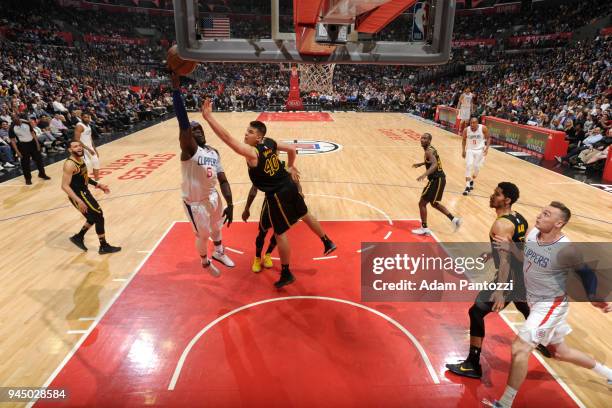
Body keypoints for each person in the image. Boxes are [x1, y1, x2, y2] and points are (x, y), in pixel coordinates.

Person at [200, 99, 336, 288]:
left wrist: (209, 118)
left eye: (250, 132)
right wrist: (290, 166)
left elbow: (228, 140)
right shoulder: (270, 142)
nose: (245, 134)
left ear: (258, 138)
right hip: (289, 184)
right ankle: (327, 241)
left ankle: (287, 272)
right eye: (247, 130)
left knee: (280, 233)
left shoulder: (252, 153)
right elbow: (291, 149)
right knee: (305, 214)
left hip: (277, 194)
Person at [491, 202, 612, 407]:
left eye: (546, 214)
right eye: (541, 212)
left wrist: (594, 296)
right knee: (559, 353)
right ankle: (609, 374)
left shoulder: (566, 249)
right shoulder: (532, 234)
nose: (539, 216)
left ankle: (504, 403)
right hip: (534, 301)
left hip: (550, 306)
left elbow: (586, 273)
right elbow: (526, 257)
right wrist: (511, 248)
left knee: (520, 348)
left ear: (559, 223)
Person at [446, 182, 536, 379]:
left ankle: (473, 364)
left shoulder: (501, 224)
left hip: (510, 276)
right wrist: (491, 252)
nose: (492, 196)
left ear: (507, 200)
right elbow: (516, 247)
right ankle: (543, 337)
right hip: (522, 275)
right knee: (522, 305)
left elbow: (505, 260)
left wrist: (501, 291)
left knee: (476, 311)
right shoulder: (519, 218)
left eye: (497, 194)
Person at [171, 73, 234, 277]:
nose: (198, 131)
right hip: (195, 202)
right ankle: (205, 262)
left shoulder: (213, 152)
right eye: (193, 130)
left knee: (217, 228)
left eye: (200, 129)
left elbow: (223, 179)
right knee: (203, 234)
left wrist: (230, 203)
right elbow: (183, 122)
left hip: (213, 197)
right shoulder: (189, 151)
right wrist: (176, 91)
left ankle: (219, 252)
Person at [61, 140, 121, 254]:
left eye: (79, 146)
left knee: (93, 217)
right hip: (78, 195)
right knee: (98, 216)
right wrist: (78, 201)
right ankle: (103, 246)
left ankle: (78, 237)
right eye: (75, 147)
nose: (78, 148)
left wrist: (98, 185)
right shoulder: (70, 164)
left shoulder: (80, 159)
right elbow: (64, 186)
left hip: (84, 192)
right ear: (70, 150)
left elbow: (84, 177)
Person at [412, 133, 461, 235]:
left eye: (425, 138)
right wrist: (421, 164)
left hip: (436, 180)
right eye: (422, 138)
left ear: (429, 141)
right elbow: (433, 161)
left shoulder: (428, 151)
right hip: (440, 179)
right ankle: (454, 220)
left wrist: (424, 174)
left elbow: (434, 164)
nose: (422, 139)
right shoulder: (430, 149)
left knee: (422, 203)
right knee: (434, 203)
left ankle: (424, 228)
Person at [242, 184, 277, 273]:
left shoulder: (289, 170)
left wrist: (299, 193)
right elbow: (254, 189)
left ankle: (268, 254)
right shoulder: (262, 170)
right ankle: (257, 257)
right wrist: (247, 209)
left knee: (278, 234)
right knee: (262, 233)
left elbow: (297, 184)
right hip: (269, 205)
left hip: (284, 207)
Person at [9, 115, 50, 185]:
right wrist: (17, 151)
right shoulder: (12, 128)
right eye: (14, 120)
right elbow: (12, 140)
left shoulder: (26, 123)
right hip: (22, 145)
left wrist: (37, 144)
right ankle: (28, 179)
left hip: (32, 143)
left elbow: (33, 133)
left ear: (19, 118)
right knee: (25, 163)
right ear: (12, 121)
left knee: (39, 160)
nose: (17, 122)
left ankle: (42, 174)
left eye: (17, 120)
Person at [461, 117, 490, 195]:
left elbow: (488, 138)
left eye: (474, 123)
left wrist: (487, 148)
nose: (472, 124)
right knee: (468, 165)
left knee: (477, 167)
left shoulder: (483, 128)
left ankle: (471, 180)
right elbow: (463, 140)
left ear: (477, 123)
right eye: (471, 123)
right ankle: (467, 187)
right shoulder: (466, 130)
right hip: (470, 149)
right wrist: (463, 150)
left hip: (480, 150)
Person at [74, 113, 101, 180]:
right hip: (82, 148)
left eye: (88, 117)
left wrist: (94, 149)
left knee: (96, 162)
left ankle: (97, 179)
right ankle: (82, 181)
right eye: (85, 117)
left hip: (90, 147)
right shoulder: (79, 126)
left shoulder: (88, 125)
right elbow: (76, 139)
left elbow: (90, 138)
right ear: (81, 117)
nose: (87, 119)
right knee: (87, 165)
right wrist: (88, 149)